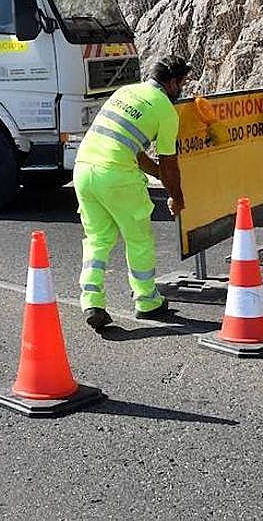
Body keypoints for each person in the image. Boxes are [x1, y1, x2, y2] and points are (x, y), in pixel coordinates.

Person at [74, 54, 191, 334]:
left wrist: (160, 177)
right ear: (173, 83)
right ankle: (147, 300)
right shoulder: (165, 110)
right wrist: (176, 195)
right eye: (182, 83)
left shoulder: (126, 91)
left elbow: (134, 150)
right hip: (117, 176)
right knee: (138, 239)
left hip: (84, 169)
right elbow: (169, 162)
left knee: (98, 240)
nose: (182, 89)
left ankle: (92, 301)